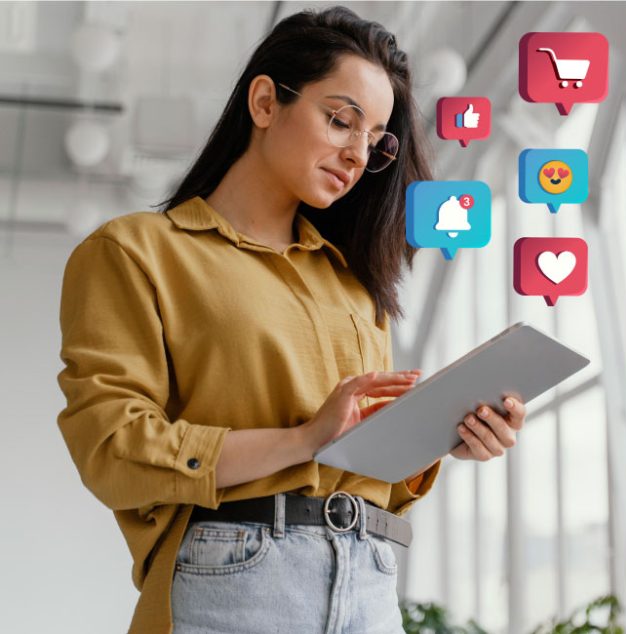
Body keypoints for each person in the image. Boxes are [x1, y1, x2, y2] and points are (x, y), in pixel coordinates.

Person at [55, 6, 527, 633]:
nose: (358, 154)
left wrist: (445, 438)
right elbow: (112, 449)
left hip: (371, 581)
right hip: (237, 579)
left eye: (376, 139)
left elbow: (366, 471)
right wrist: (303, 439)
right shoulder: (136, 252)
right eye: (340, 120)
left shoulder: (354, 285)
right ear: (264, 102)